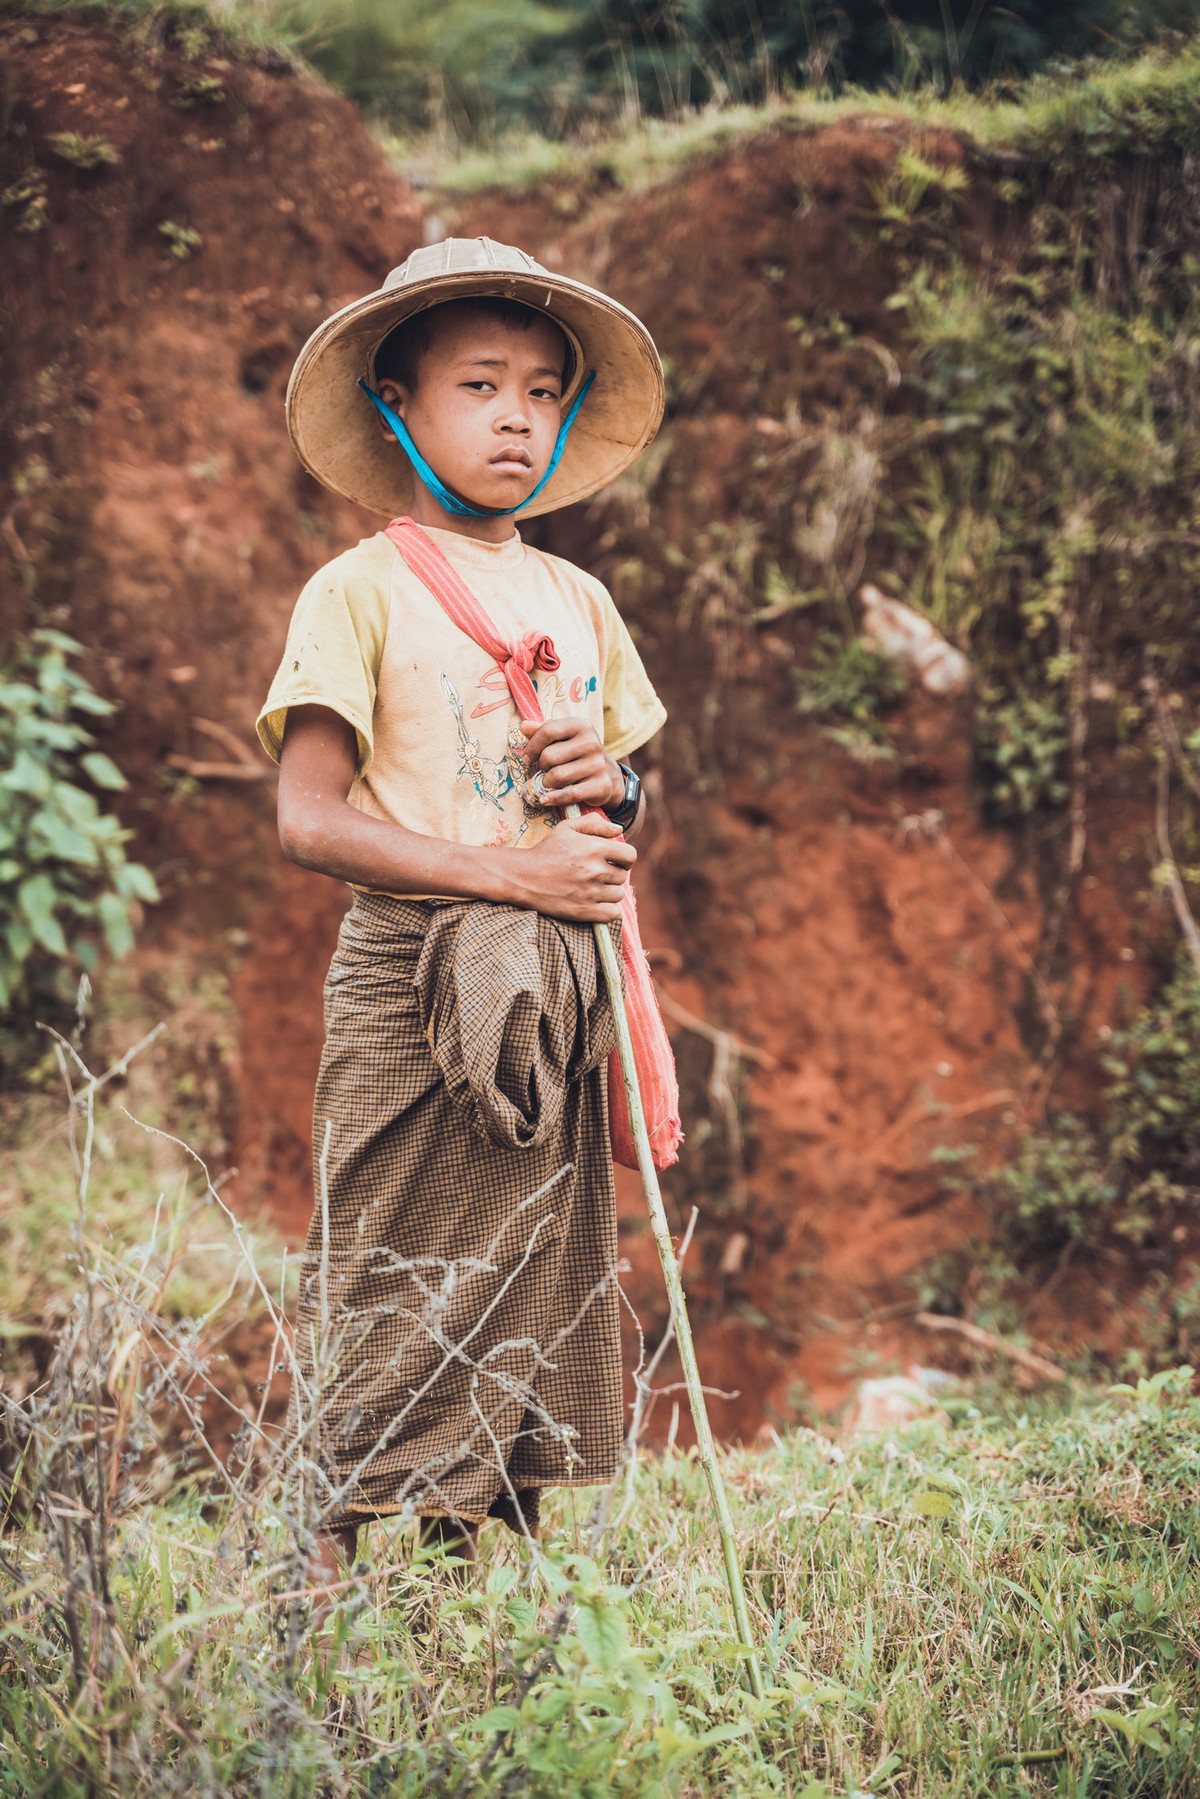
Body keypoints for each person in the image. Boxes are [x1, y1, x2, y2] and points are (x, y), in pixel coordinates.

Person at [255, 238, 670, 1591]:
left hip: (546, 985)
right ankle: (310, 1599)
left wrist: (612, 789)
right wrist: (517, 878)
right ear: (397, 403)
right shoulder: (359, 591)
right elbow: (308, 821)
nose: (517, 416)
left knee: (527, 1286)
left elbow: (619, 809)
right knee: (388, 1273)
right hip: (408, 975)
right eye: (479, 384)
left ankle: (472, 1597)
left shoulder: (579, 600)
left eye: (545, 392)